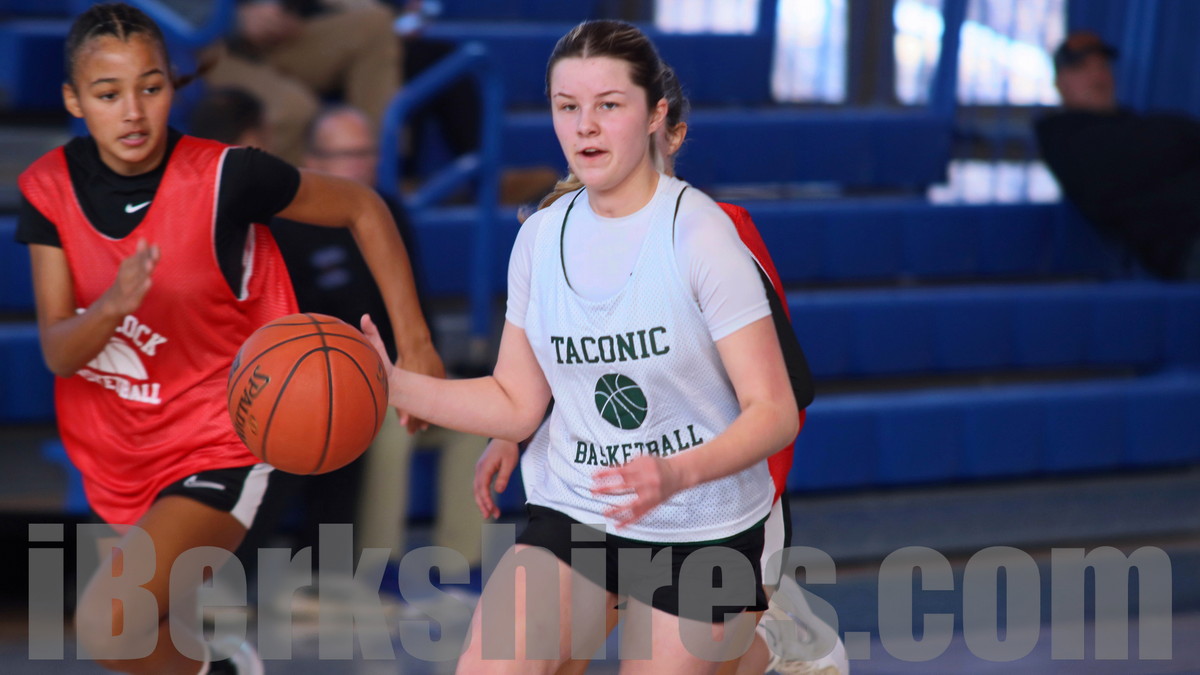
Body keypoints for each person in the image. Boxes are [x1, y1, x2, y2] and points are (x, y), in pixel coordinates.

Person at [14, 4, 440, 674]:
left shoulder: (226, 175)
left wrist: (416, 345)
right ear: (73, 100)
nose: (133, 111)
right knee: (148, 636)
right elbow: (59, 350)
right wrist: (114, 305)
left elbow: (363, 206)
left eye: (151, 87)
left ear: (172, 87)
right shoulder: (49, 190)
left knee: (107, 623)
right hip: (122, 443)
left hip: (220, 439)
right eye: (108, 93)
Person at [363, 19, 799, 672]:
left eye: (609, 105)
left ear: (656, 116)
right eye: (567, 107)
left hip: (700, 519)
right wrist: (392, 382)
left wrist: (676, 472)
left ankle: (771, 651)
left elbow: (776, 411)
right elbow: (516, 400)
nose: (585, 126)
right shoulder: (540, 237)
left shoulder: (704, 235)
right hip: (580, 504)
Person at [473, 66, 848, 675]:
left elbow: (786, 395)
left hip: (706, 503)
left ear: (672, 136)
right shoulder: (554, 232)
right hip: (598, 492)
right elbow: (547, 369)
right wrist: (510, 434)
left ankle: (779, 644)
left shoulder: (713, 237)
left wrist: (708, 485)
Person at [1034, 30, 1200, 280]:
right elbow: (1162, 142)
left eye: (1102, 66)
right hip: (1186, 248)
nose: (1097, 76)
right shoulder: (1065, 138)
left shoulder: (1133, 124)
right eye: (1081, 68)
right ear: (1060, 83)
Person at [201, 0, 400, 164]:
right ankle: (296, 195)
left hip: (282, 32)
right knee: (294, 109)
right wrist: (235, 20)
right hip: (207, 46)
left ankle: (375, 165)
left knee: (376, 23)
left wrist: (293, 9)